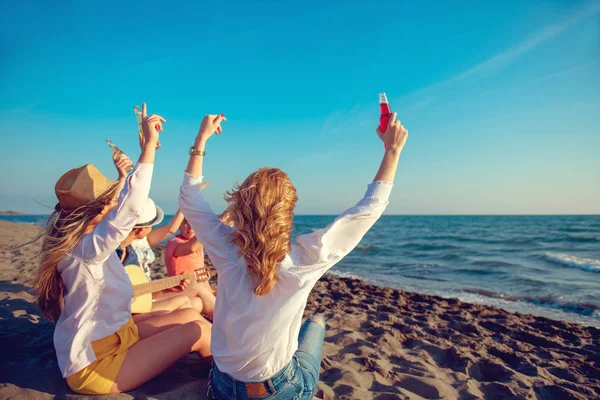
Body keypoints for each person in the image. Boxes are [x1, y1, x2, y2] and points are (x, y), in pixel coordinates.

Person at [178, 111, 408, 399]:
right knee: (315, 324)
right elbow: (368, 209)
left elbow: (189, 197)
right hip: (277, 390)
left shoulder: (224, 247)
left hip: (223, 386)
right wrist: (393, 150)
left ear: (238, 206)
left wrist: (201, 140)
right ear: (288, 212)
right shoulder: (306, 260)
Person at [32, 103, 212, 395]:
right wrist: (149, 149)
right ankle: (237, 384)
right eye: (107, 200)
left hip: (117, 337)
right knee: (199, 330)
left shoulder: (82, 241)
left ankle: (225, 369)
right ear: (99, 209)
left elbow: (124, 200)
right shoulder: (87, 249)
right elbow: (129, 207)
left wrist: (142, 152)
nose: (112, 201)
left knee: (192, 316)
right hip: (96, 364)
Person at [165, 217, 217, 317]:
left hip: (197, 290)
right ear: (179, 225)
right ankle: (226, 323)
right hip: (180, 290)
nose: (190, 228)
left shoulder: (198, 244)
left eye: (194, 223)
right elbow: (191, 248)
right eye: (185, 223)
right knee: (199, 288)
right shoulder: (174, 243)